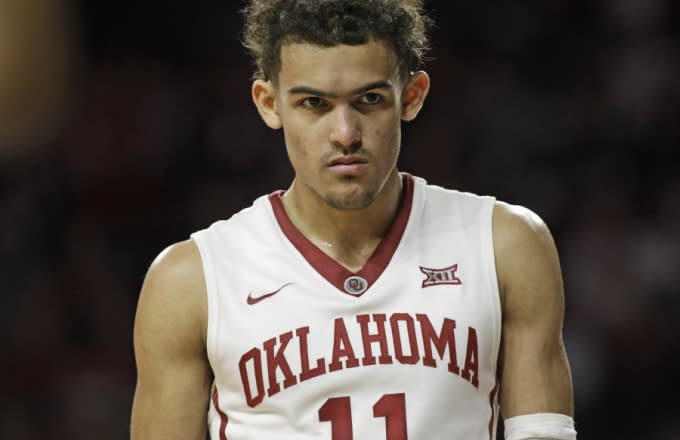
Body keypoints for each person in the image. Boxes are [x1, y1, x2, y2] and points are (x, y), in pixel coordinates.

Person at [130, 1, 576, 439]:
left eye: (369, 100)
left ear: (412, 96)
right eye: (314, 103)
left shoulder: (504, 244)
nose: (345, 133)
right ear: (269, 104)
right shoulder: (190, 279)